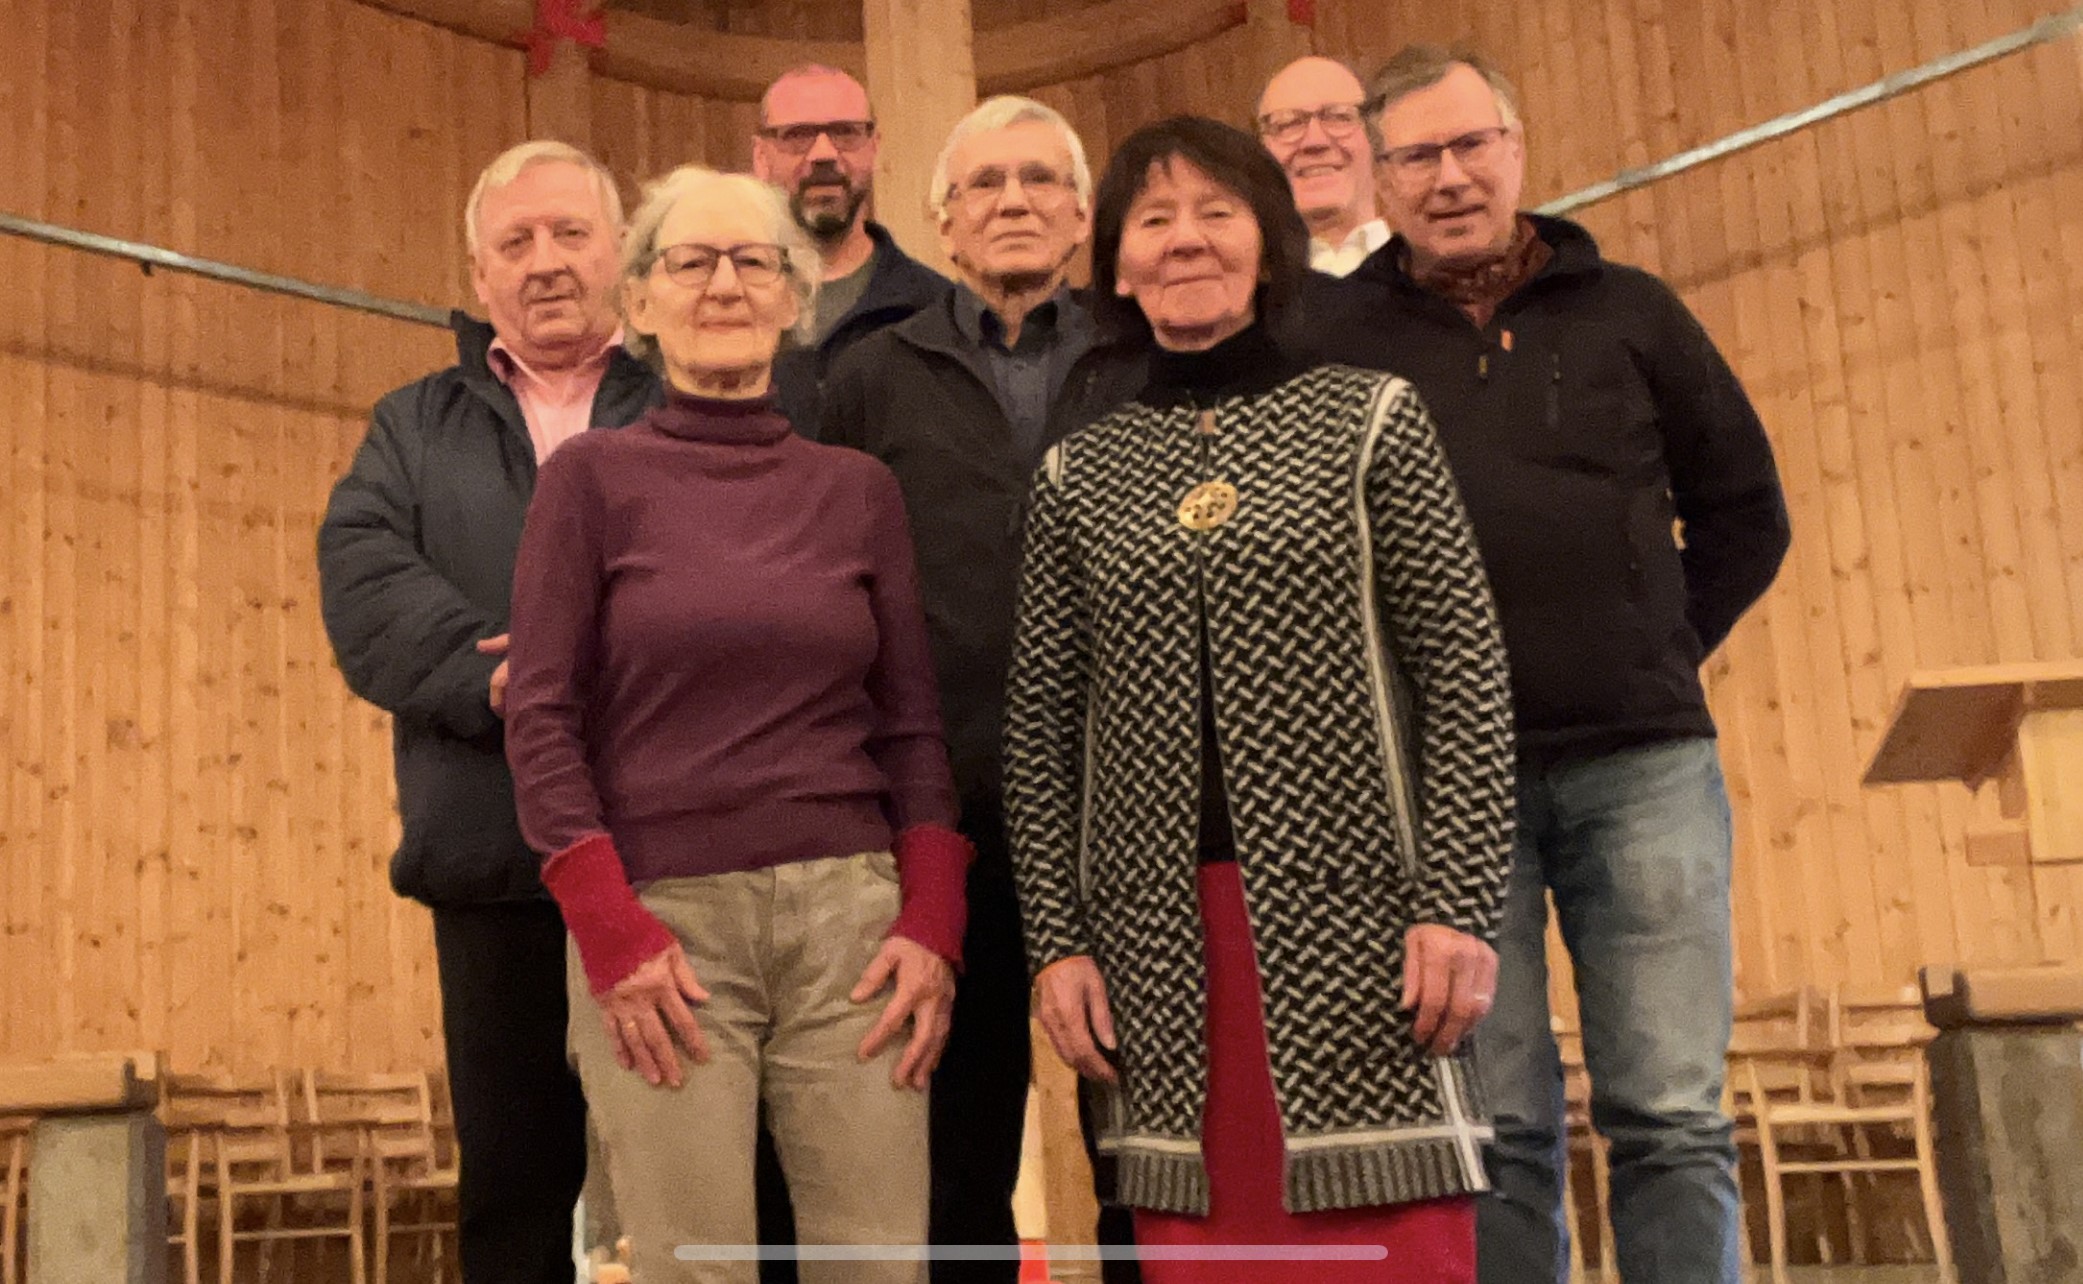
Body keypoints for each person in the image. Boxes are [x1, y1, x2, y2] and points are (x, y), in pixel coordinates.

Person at [1004, 115, 1517, 1284]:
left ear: (1268, 242)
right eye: (1152, 219)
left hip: (1371, 942)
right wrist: (1058, 944)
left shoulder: (1370, 419)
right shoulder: (1078, 474)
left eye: (1217, 212)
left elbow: (1466, 677)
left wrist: (1457, 904)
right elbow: (1038, 735)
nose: (1186, 241)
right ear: (1116, 264)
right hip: (1158, 959)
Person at [1309, 45, 1792, 1284]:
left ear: (1517, 150)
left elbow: (1745, 509)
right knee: (1499, 1127)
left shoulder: (1631, 309)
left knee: (1672, 1113)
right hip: (1443, 795)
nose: (1449, 176)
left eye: (1472, 145)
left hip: (1644, 765)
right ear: (1377, 175)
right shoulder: (1329, 340)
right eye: (1416, 155)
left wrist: (1655, 642)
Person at [500, 165, 973, 1284]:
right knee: (690, 1269)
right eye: (689, 261)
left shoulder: (858, 491)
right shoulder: (589, 482)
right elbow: (542, 719)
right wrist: (611, 933)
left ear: (793, 296)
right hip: (663, 933)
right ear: (642, 300)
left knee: (879, 1268)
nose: (722, 283)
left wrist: (934, 922)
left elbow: (909, 726)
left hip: (852, 936)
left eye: (752, 260)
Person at [820, 96, 1147, 1282]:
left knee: (1145, 1151)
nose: (1012, 202)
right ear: (941, 223)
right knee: (954, 1149)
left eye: (1039, 181)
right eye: (984, 186)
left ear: (1081, 216)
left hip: (1132, 812)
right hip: (944, 814)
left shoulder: (1145, 354)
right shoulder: (865, 379)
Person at [318, 140, 656, 1284]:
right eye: (516, 242)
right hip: (492, 857)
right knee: (514, 1194)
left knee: (705, 1185)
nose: (546, 262)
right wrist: (501, 673)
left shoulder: (698, 401)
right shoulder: (411, 426)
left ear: (622, 253)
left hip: (682, 856)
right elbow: (363, 577)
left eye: (571, 233)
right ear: (479, 277)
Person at [754, 63, 948, 435]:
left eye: (846, 133)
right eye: (798, 135)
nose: (824, 153)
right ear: (761, 156)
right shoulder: (726, 306)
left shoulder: (937, 310)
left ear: (874, 148)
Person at [1256, 56, 1388, 276]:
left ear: (1379, 139)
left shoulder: (1428, 271)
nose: (1314, 141)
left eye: (1339, 117)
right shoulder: (1244, 296)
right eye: (1288, 124)